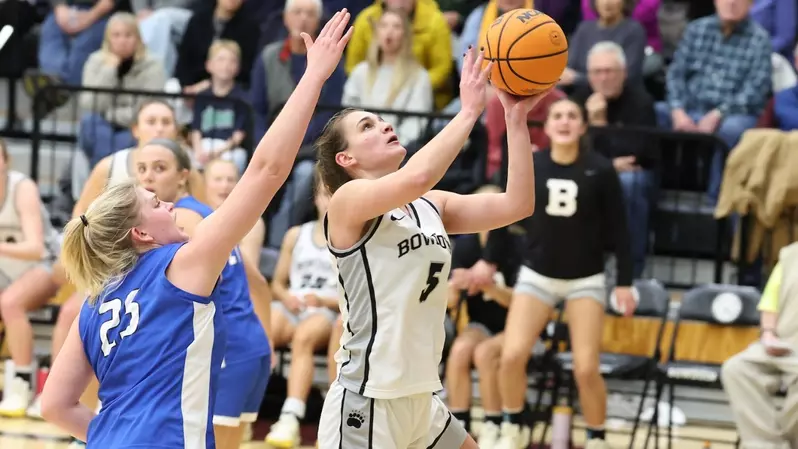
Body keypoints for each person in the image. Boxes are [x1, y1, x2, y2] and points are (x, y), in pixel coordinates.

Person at [38, 10, 353, 447]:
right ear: (141, 234)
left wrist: (113, 435)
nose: (166, 203)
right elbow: (266, 169)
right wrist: (313, 77)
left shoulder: (96, 300)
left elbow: (54, 404)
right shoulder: (181, 265)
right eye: (154, 204)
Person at [316, 46, 546, 449]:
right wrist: (469, 111)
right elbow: (419, 173)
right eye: (367, 126)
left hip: (422, 397)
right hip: (369, 399)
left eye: (382, 120)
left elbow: (518, 204)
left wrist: (515, 119)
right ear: (346, 157)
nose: (384, 125)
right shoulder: (347, 203)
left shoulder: (431, 204)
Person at [475, 98, 634, 449]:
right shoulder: (531, 165)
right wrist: (489, 260)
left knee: (586, 368)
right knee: (512, 355)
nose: (564, 121)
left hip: (585, 279)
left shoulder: (601, 170)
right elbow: (504, 214)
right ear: (546, 127)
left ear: (582, 127)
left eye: (572, 116)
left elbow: (621, 232)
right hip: (537, 275)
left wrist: (624, 282)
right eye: (557, 116)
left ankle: (596, 437)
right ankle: (513, 425)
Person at [134, 138, 271, 449]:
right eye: (141, 168)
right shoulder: (208, 215)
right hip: (251, 348)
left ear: (183, 175)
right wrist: (267, 341)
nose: (148, 177)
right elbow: (259, 283)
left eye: (159, 168)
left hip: (225, 350)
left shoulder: (177, 220)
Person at [443, 184, 522, 447]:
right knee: (460, 351)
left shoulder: (518, 244)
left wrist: (488, 285)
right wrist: (455, 285)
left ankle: (493, 424)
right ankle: (459, 424)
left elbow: (522, 304)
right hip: (481, 323)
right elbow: (449, 302)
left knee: (485, 353)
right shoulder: (465, 247)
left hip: (518, 325)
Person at [266, 177, 339, 447]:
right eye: (324, 194)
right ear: (316, 199)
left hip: (328, 309)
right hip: (293, 305)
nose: (328, 201)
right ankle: (240, 413)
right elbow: (276, 284)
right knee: (262, 329)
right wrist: (287, 299)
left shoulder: (351, 236)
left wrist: (322, 301)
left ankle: (291, 418)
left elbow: (355, 293)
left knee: (304, 337)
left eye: (335, 195)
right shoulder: (297, 234)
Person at [0, 139, 63, 417]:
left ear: (6, 160)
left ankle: (22, 380)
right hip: (5, 268)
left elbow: (35, 247)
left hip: (45, 263)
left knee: (10, 303)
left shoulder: (21, 187)